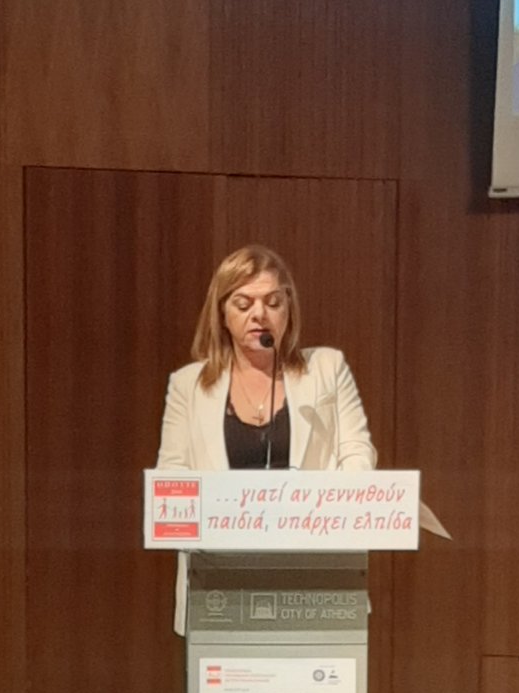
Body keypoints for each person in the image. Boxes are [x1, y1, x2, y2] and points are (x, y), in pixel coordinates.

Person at [156, 245, 378, 633]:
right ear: (222, 315)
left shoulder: (327, 368)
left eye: (273, 302)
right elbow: (172, 480)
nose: (260, 314)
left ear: (288, 309)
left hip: (314, 579)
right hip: (220, 587)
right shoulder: (187, 386)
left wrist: (317, 512)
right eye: (243, 304)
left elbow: (358, 455)